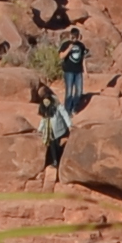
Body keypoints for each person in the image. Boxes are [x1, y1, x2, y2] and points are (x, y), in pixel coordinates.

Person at [40, 29, 87, 169]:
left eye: (76, 36)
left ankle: (73, 108)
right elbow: (61, 56)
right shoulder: (66, 44)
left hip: (78, 72)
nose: (74, 38)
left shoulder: (82, 46)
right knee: (68, 93)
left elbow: (83, 58)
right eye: (72, 36)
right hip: (68, 71)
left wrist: (86, 71)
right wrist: (69, 49)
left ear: (78, 36)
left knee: (78, 92)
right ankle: (68, 108)